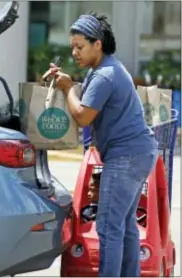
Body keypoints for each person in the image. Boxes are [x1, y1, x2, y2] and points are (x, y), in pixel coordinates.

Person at [49, 12, 158, 277]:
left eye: (80, 46)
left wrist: (67, 89)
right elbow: (88, 99)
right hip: (139, 153)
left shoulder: (103, 75)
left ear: (97, 43)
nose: (75, 52)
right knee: (126, 227)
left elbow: (84, 116)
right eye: (73, 47)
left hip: (126, 157)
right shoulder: (107, 68)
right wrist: (69, 83)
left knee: (109, 228)